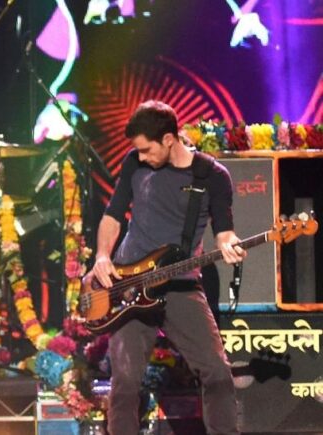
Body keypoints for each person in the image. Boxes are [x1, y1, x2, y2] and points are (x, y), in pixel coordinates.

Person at [88, 100, 243, 435]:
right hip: (129, 286)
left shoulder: (213, 176)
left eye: (147, 150)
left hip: (181, 286)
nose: (142, 156)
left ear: (169, 139)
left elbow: (225, 232)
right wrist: (102, 256)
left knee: (217, 372)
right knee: (125, 383)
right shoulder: (134, 162)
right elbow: (113, 215)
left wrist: (229, 245)